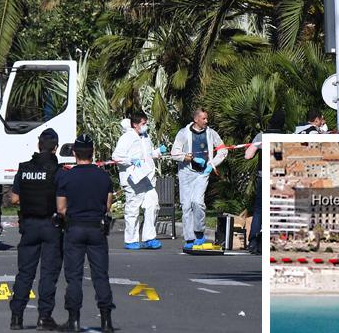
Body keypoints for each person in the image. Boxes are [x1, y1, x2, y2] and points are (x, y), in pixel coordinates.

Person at [56, 134, 116, 333]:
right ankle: (106, 319)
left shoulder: (66, 176)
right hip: (96, 228)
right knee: (101, 275)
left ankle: (73, 319)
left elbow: (61, 208)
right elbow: (107, 206)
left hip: (74, 228)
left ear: (74, 153)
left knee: (74, 276)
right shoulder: (103, 176)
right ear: (93, 152)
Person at [8, 129, 64, 331]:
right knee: (48, 274)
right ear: (55, 148)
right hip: (51, 225)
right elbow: (61, 203)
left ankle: (16, 317)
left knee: (25, 273)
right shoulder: (58, 171)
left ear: (38, 145)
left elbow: (13, 199)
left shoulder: (24, 169)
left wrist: (31, 201)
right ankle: (44, 317)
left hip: (29, 226)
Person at [171, 108, 227, 250]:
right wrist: (190, 158)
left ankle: (199, 233)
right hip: (186, 173)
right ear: (196, 119)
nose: (206, 121)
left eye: (207, 118)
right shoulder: (183, 133)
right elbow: (174, 153)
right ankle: (189, 238)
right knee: (186, 206)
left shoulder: (211, 133)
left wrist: (212, 164)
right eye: (203, 119)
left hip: (202, 174)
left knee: (197, 202)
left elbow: (223, 150)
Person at [111, 112, 166, 250]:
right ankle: (131, 240)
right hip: (133, 180)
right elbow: (116, 156)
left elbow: (148, 154)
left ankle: (149, 238)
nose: (145, 126)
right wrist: (131, 161)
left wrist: (158, 152)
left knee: (153, 205)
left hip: (147, 178)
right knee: (133, 210)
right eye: (143, 124)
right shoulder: (127, 138)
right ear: (135, 124)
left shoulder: (145, 137)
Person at [244, 132, 262, 255]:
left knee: (259, 210)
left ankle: (253, 242)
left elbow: (248, 155)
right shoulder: (287, 136)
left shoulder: (262, 136)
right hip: (281, 178)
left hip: (264, 177)